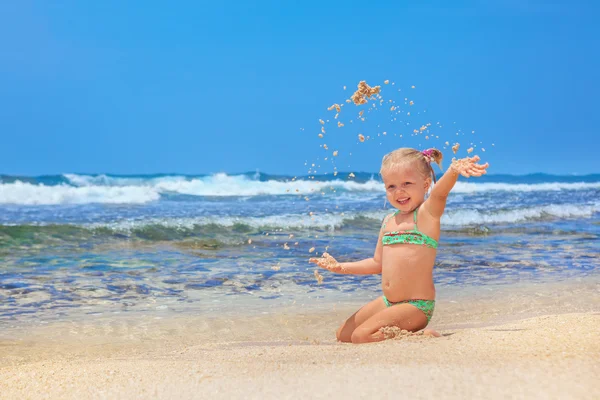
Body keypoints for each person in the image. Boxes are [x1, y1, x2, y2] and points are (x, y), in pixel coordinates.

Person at [309, 148, 489, 343]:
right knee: (343, 335)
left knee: (361, 336)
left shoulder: (426, 215)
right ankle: (407, 333)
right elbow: (377, 263)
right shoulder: (388, 221)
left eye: (407, 183)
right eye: (391, 186)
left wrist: (453, 171)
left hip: (416, 306)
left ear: (426, 184)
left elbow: (439, 194)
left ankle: (421, 335)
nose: (399, 191)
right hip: (390, 302)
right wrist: (341, 267)